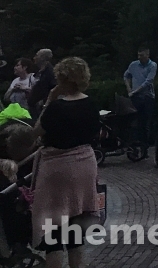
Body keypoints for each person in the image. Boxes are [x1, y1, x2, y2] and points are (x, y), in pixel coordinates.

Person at [32, 57, 100, 268]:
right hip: (85, 166)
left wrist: (50, 101)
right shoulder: (91, 104)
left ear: (63, 79)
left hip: (57, 169)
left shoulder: (56, 108)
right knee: (75, 232)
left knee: (53, 235)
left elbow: (36, 132)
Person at [123, 47, 157, 158]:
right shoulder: (133, 65)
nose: (139, 58)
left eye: (142, 56)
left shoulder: (152, 65)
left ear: (147, 55)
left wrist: (135, 91)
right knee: (134, 122)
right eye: (138, 55)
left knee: (145, 123)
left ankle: (144, 148)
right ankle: (133, 146)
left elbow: (148, 81)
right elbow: (126, 75)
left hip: (147, 97)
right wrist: (129, 89)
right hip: (135, 97)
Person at [27, 49, 56, 118]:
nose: (34, 58)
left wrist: (44, 101)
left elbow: (54, 88)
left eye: (36, 55)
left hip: (43, 110)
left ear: (42, 58)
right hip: (35, 109)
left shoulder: (50, 73)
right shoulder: (39, 72)